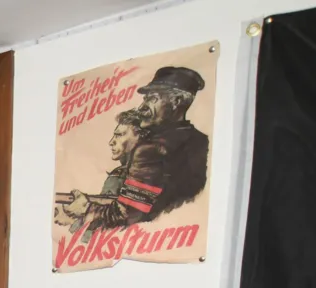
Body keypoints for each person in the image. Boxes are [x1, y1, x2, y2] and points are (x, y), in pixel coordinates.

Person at [58, 66, 210, 231]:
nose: (142, 106)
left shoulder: (150, 150)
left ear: (177, 102)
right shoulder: (201, 141)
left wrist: (86, 208)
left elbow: (126, 215)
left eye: (152, 98)